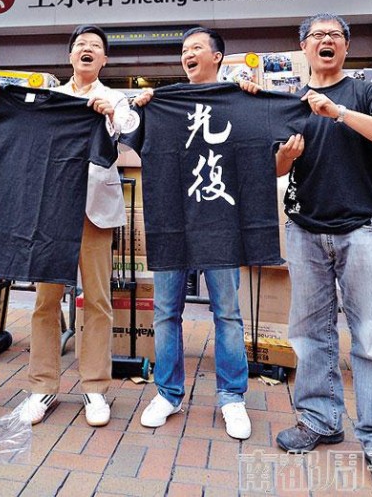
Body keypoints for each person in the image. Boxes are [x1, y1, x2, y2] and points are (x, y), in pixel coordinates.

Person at [136, 27, 301, 439]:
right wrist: (140, 107)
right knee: (165, 311)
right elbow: (123, 130)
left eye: (196, 48)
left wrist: (257, 101)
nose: (187, 54)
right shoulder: (164, 103)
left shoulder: (241, 98)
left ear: (217, 57)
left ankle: (232, 397)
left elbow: (277, 139)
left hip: (221, 224)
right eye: (183, 50)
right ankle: (168, 393)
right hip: (172, 222)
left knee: (227, 312)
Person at [275, 13, 372, 494]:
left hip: (362, 229)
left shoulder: (366, 93)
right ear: (304, 47)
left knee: (369, 339)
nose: (326, 41)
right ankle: (319, 419)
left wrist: (339, 113)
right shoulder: (291, 102)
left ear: (346, 47)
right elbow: (275, 167)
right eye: (317, 35)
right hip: (305, 230)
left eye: (335, 35)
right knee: (310, 334)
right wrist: (286, 157)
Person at [20, 25, 139, 427]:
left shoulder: (115, 97)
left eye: (95, 47)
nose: (87, 50)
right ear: (70, 55)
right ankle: (43, 386)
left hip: (95, 209)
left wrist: (111, 115)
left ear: (104, 59)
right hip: (52, 208)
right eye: (81, 45)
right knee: (45, 300)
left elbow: (131, 133)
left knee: (98, 300)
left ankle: (95, 387)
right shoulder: (53, 98)